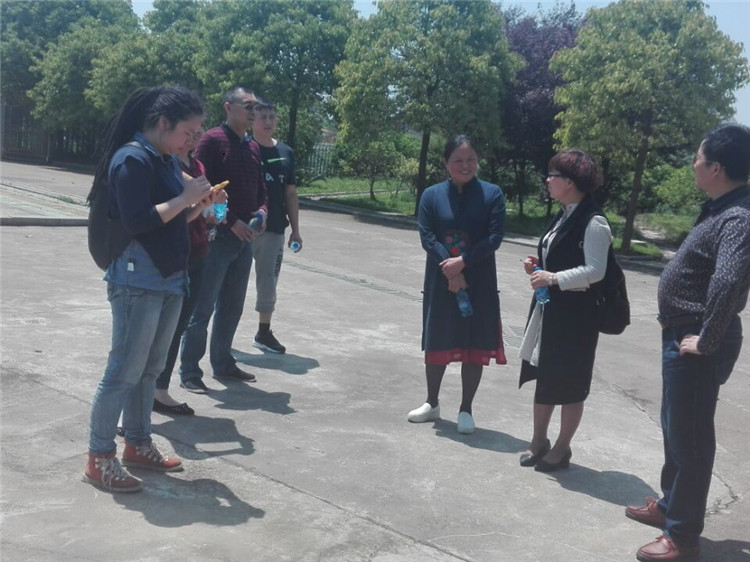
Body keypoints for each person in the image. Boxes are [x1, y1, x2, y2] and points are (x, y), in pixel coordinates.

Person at [627, 124, 750, 562]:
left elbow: (729, 279)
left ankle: (682, 537)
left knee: (692, 440)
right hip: (682, 333)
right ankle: (670, 506)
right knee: (676, 430)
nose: (693, 163)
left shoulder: (738, 216)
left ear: (716, 168)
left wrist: (708, 339)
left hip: (696, 339)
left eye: (697, 158)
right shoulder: (721, 208)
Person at [83, 86, 213, 493]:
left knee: (150, 370)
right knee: (124, 370)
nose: (191, 141)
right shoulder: (132, 159)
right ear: (162, 123)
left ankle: (138, 443)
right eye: (187, 133)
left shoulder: (165, 160)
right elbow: (138, 221)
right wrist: (186, 196)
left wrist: (197, 204)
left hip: (170, 277)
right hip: (137, 280)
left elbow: (170, 220)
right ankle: (99, 457)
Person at [518, 149, 612, 472]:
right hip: (552, 309)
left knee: (571, 383)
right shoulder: (566, 213)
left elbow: (596, 271)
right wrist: (540, 266)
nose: (548, 180)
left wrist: (553, 277)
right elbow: (564, 255)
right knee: (545, 374)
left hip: (577, 317)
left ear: (569, 182)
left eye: (553, 176)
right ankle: (538, 440)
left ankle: (561, 447)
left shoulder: (594, 221)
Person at [407, 135, 506, 434]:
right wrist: (450, 270)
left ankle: (466, 409)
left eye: (471, 159)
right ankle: (432, 402)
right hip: (441, 279)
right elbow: (428, 237)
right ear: (446, 163)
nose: (465, 165)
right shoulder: (431, 195)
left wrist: (462, 263)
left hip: (479, 279)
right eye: (458, 160)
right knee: (438, 336)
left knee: (474, 340)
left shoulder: (492, 194)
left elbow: (494, 237)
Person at [178, 86, 268, 392]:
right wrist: (231, 222)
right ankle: (190, 371)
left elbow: (261, 191)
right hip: (218, 238)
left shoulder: (252, 146)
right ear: (228, 107)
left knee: (232, 306)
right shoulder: (213, 141)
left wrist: (262, 212)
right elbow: (204, 189)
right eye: (248, 106)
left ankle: (223, 363)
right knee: (202, 308)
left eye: (256, 107)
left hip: (245, 240)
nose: (254, 112)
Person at [152, 127, 226, 415]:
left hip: (199, 252)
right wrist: (196, 202)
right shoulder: (166, 165)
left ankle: (160, 389)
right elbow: (172, 215)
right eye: (190, 132)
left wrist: (218, 207)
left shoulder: (198, 168)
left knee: (178, 325)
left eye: (198, 133)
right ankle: (148, 391)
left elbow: (212, 217)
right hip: (173, 255)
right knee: (158, 328)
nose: (195, 138)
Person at [249, 99, 303, 354]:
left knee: (268, 280)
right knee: (227, 282)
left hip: (273, 228)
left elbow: (290, 193)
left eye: (272, 116)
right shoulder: (243, 148)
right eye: (263, 117)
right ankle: (218, 335)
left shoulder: (285, 152)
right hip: (240, 227)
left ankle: (263, 332)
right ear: (252, 120)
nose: (268, 122)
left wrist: (296, 230)